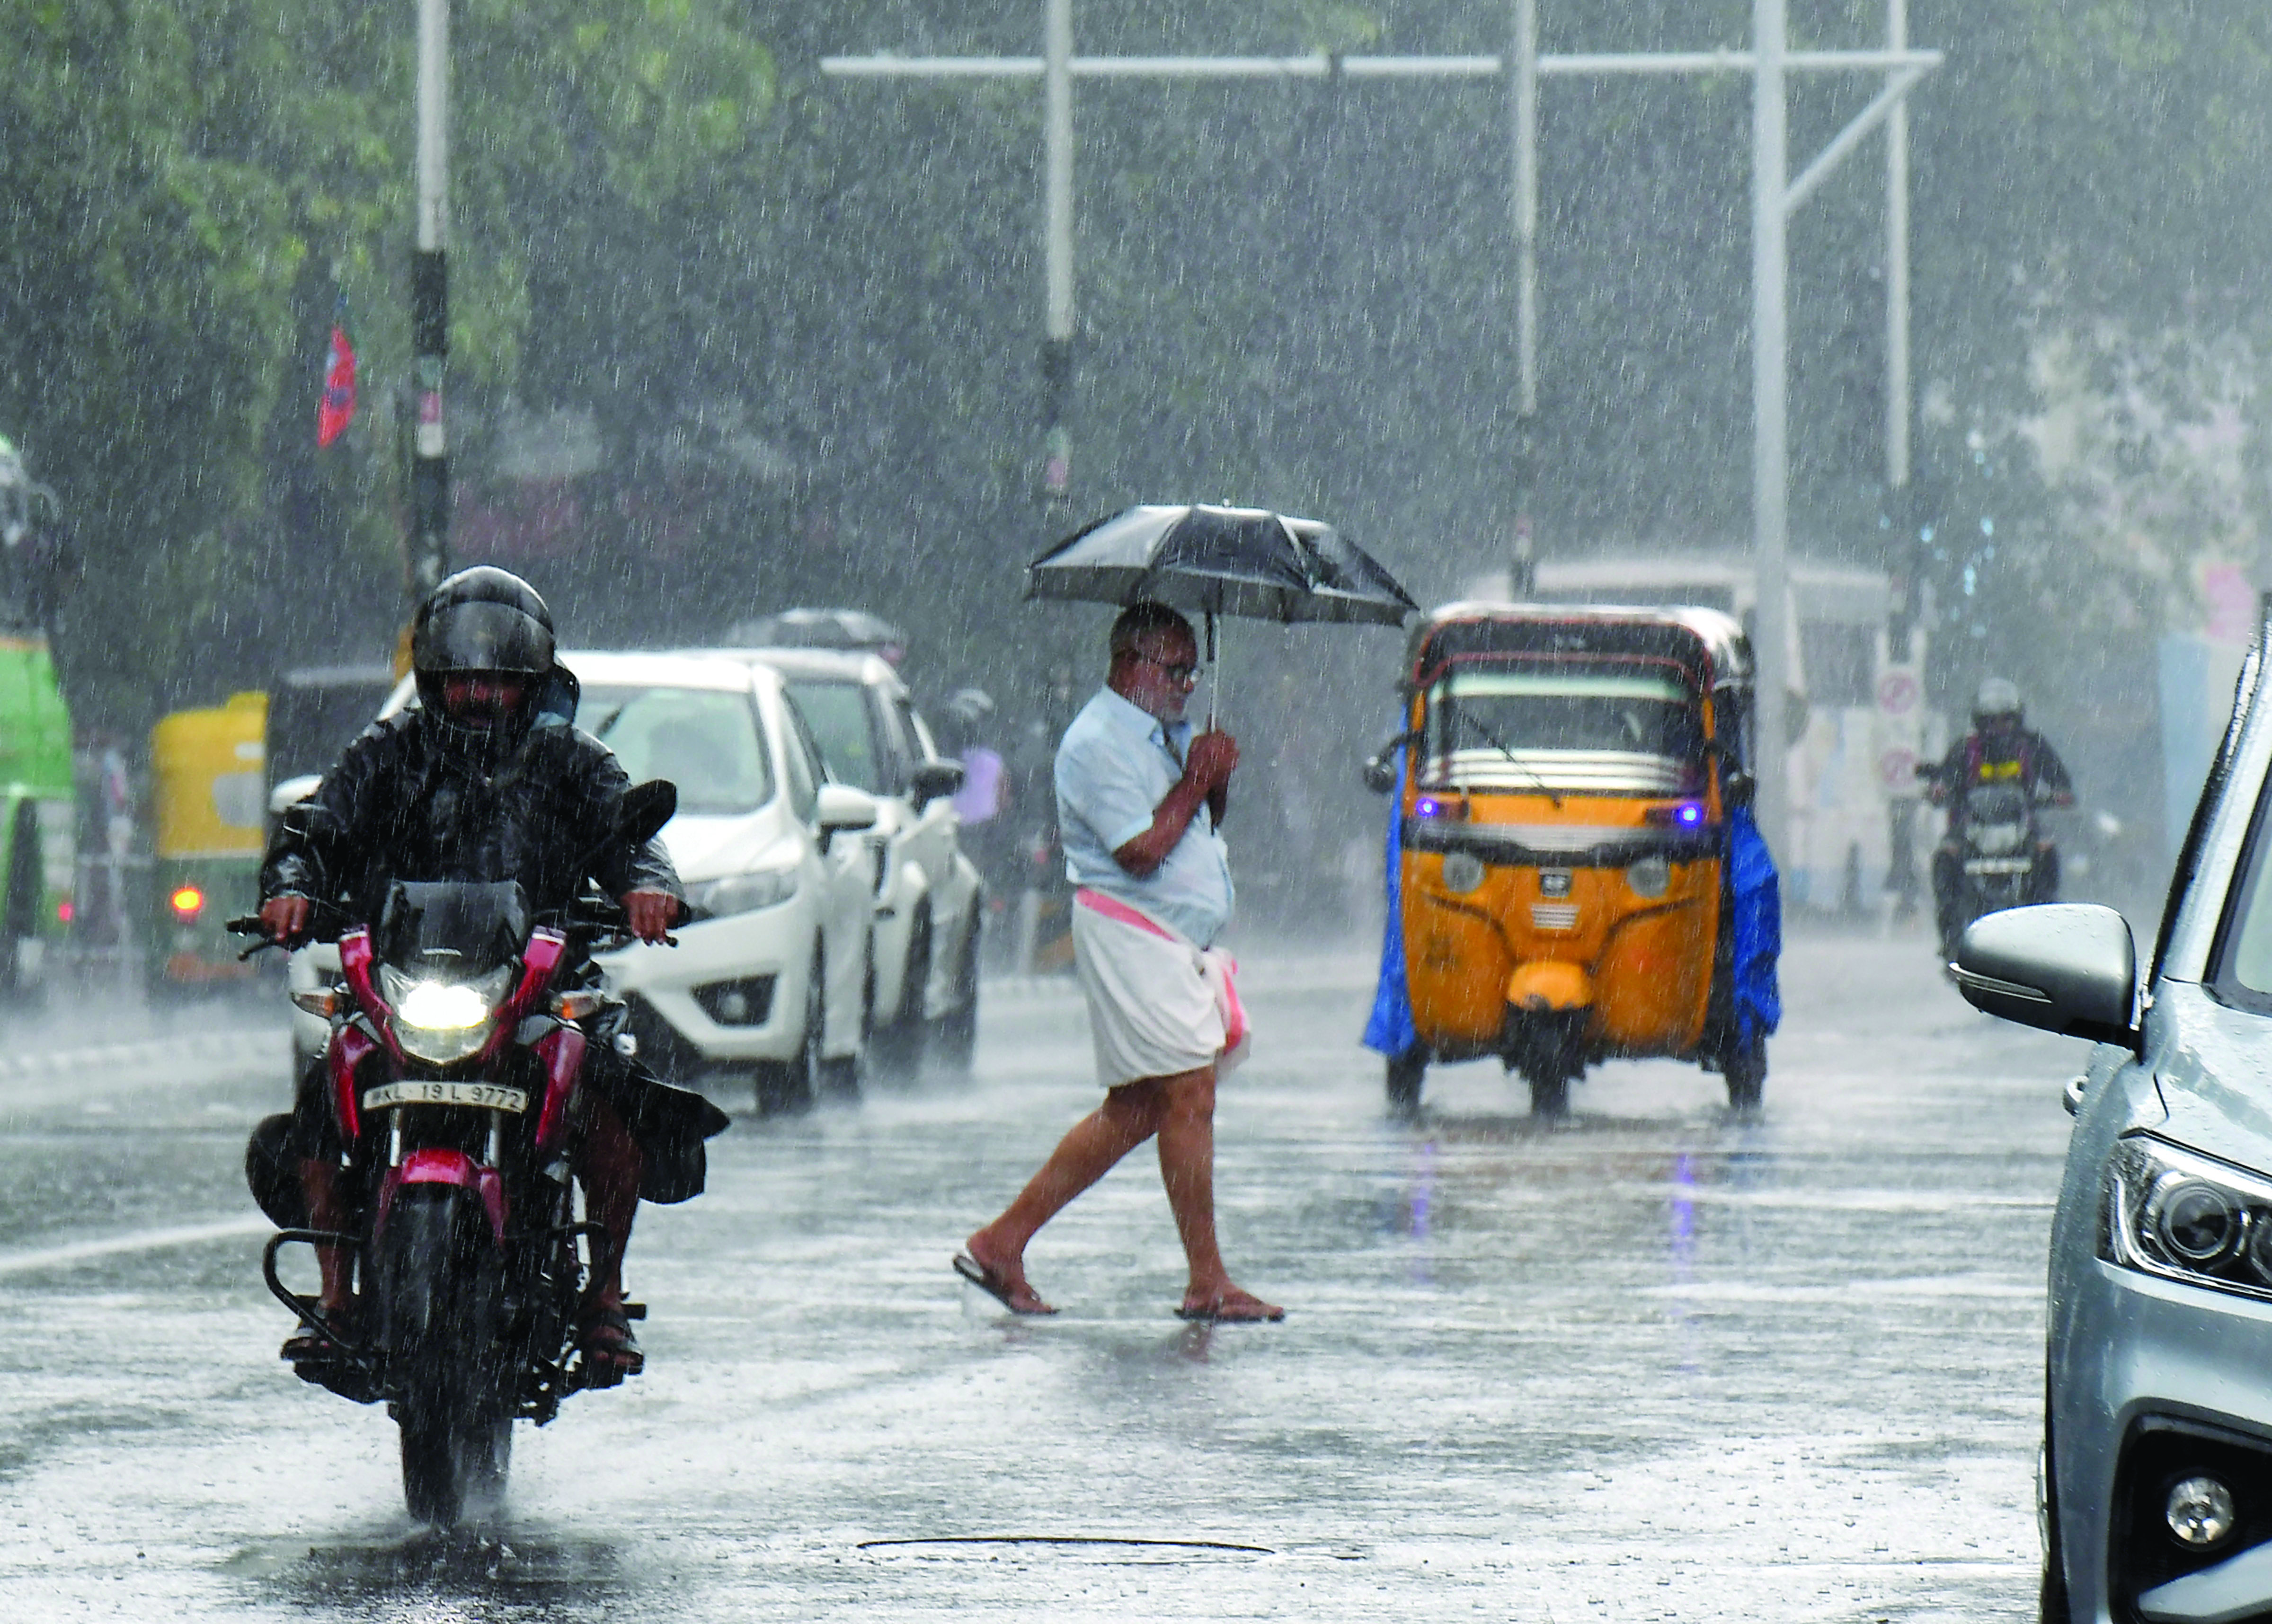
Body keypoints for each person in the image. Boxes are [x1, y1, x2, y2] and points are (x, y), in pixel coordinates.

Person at [255, 566, 713, 1379]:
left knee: (610, 1088)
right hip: (405, 985)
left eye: (497, 683)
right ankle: (335, 1298)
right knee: (330, 1079)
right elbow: (316, 828)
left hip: (536, 988)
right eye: (462, 679)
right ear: (434, 679)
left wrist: (649, 888)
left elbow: (631, 837)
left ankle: (604, 1296)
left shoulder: (571, 758)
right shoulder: (387, 751)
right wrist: (293, 888)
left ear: (531, 683)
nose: (478, 697)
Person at [955, 602, 1282, 1323]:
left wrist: (1212, 779)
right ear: (1130, 664)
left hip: (1171, 940)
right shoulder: (1096, 741)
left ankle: (1003, 1242)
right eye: (1174, 670)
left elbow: (1197, 821)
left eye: (1193, 671)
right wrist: (1197, 779)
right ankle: (1208, 1280)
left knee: (1140, 1107)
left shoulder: (1166, 733)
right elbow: (1139, 850)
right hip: (1134, 932)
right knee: (1189, 1094)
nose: (1186, 685)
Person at [1925, 676, 2075, 952]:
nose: (1999, 729)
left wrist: (2060, 793)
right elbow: (1945, 779)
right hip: (1971, 826)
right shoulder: (1965, 749)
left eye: (2005, 721)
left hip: (2022, 826)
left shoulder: (2032, 746)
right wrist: (1940, 790)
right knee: (1946, 858)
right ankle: (1951, 937)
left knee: (2047, 853)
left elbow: (2060, 779)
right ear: (1980, 723)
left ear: (2017, 719)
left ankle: (2047, 923)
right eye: (1991, 722)